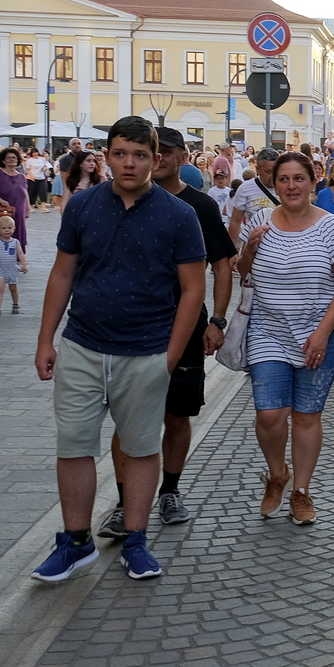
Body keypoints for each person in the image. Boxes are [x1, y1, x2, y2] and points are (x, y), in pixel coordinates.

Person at [30, 117, 206, 582]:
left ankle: (135, 540)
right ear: (106, 156)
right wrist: (46, 339)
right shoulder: (82, 206)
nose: (130, 163)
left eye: (140, 155)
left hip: (146, 351)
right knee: (73, 445)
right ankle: (76, 542)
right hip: (82, 346)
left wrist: (170, 357)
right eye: (121, 153)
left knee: (141, 448)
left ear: (156, 159)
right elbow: (63, 273)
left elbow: (193, 289)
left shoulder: (178, 215)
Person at [95, 128, 236, 537]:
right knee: (128, 417)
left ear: (181, 158)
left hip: (186, 324)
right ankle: (124, 502)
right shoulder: (120, 201)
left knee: (177, 414)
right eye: (158, 152)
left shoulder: (200, 206)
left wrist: (218, 320)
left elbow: (222, 266)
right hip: (133, 327)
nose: (161, 160)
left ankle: (169, 491)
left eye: (170, 153)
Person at [237, 152, 334, 526]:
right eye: (284, 179)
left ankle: (301, 491)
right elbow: (241, 271)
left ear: (313, 181)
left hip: (321, 334)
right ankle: (277, 474)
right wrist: (249, 250)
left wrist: (322, 333)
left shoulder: (332, 227)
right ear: (274, 184)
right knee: (269, 414)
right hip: (268, 330)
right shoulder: (258, 222)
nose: (291, 186)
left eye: (298, 178)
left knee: (306, 415)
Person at [0, 147, 31, 252]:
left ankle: (13, 259)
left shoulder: (21, 177)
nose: (12, 159)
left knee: (16, 235)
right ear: (3, 160)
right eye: (9, 158)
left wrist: (27, 208)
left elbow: (25, 193)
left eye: (14, 157)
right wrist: (0, 200)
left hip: (17, 212)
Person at [24, 147, 52, 212]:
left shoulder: (42, 159)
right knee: (32, 193)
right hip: (32, 178)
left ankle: (44, 207)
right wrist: (31, 176)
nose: (35, 154)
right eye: (33, 153)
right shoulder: (29, 160)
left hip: (41, 177)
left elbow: (46, 165)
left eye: (36, 152)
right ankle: (31, 207)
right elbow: (27, 169)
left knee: (43, 192)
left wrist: (45, 169)